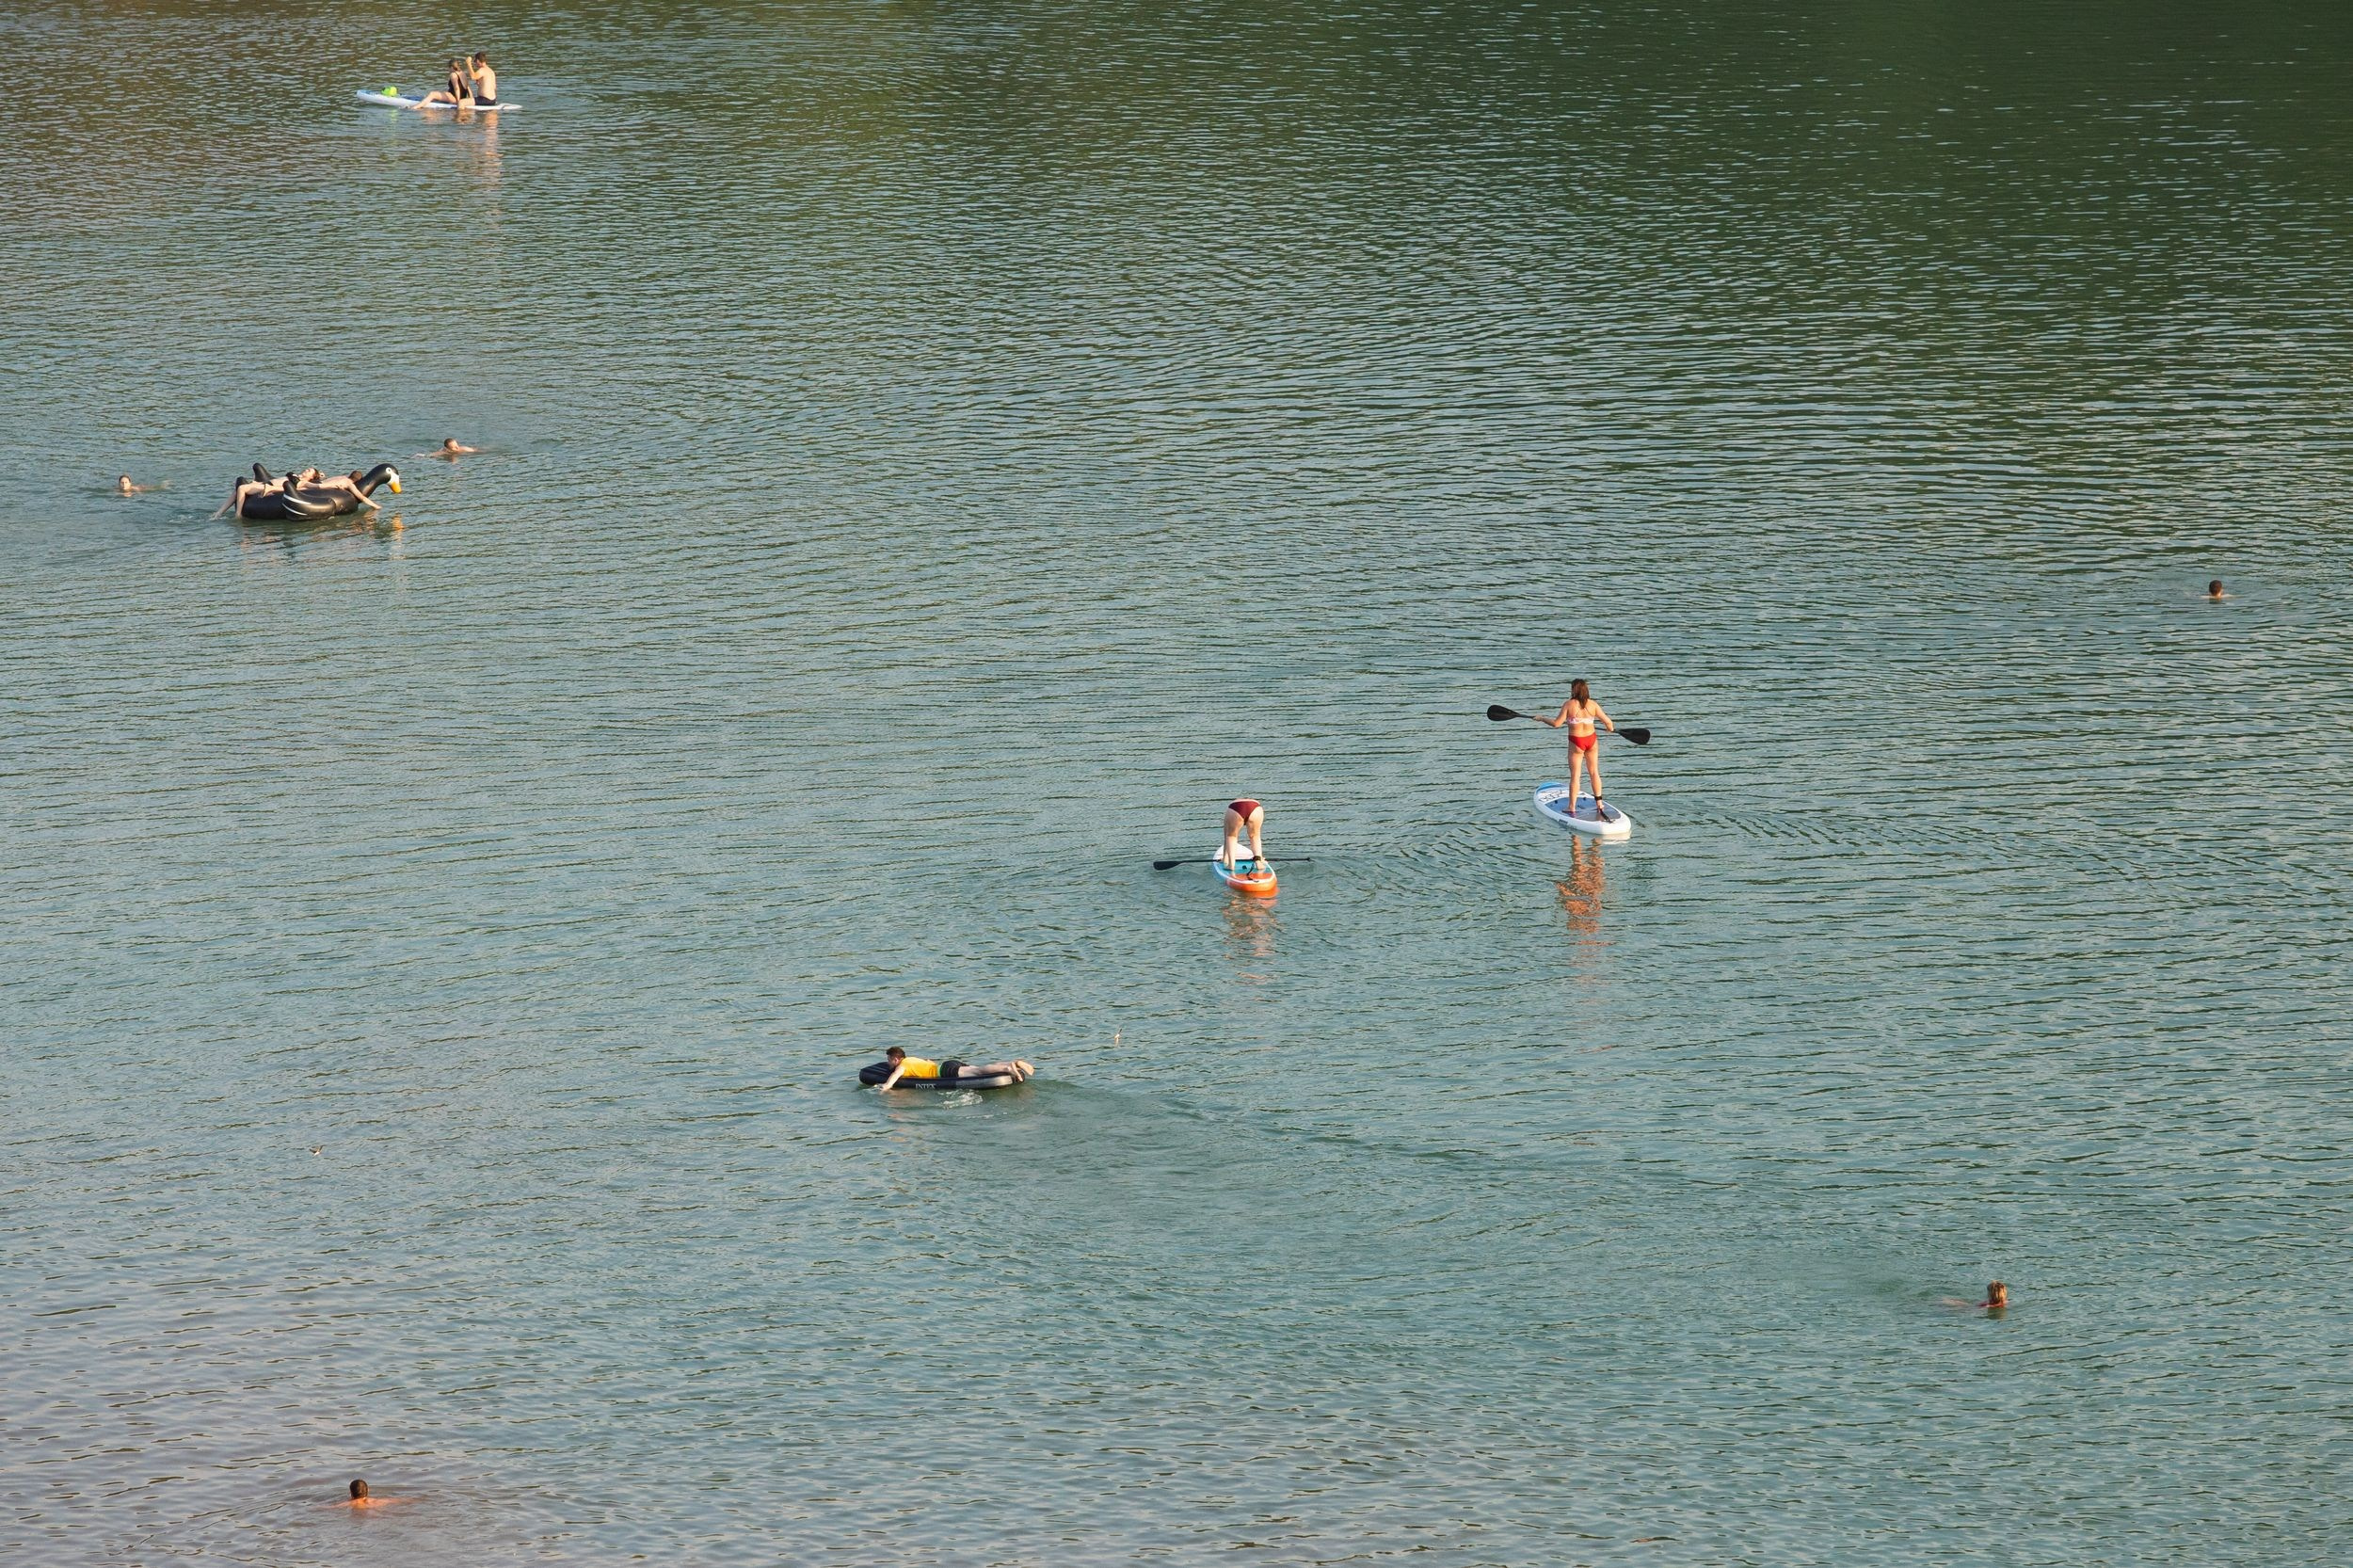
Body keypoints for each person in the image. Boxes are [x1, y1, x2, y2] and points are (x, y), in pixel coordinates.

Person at [1543, 679, 1617, 817]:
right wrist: (1609, 729)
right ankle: (1599, 804)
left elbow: (1556, 724)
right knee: (1594, 772)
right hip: (1592, 741)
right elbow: (1609, 723)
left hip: (1576, 742)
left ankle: (1571, 807)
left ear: (1574, 690)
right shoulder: (1593, 705)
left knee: (1575, 776)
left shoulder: (1569, 704)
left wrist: (1541, 718)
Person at [872, 1045, 1033, 1089]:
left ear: (896, 1059)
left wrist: (885, 1086)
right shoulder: (912, 1059)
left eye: (889, 1060)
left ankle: (1008, 1068)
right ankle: (1013, 1064)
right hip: (947, 1064)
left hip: (946, 1072)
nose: (888, 1063)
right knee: (979, 1068)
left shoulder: (902, 1066)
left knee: (978, 1071)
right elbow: (928, 1061)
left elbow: (895, 1076)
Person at [1220, 798, 1265, 871]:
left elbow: (1226, 838)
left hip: (1235, 807)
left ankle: (1231, 865)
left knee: (1231, 836)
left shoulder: (1231, 808)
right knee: (1255, 836)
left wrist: (1225, 858)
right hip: (1255, 807)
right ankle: (1259, 862)